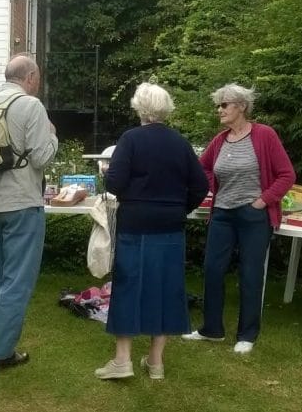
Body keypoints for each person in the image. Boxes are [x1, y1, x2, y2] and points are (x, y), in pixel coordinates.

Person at [93, 82, 208, 380]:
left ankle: (122, 361)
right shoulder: (180, 143)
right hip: (170, 225)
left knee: (129, 285)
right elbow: (201, 186)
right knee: (166, 288)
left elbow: (115, 185)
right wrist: (177, 208)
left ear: (139, 108)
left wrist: (108, 173)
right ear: (165, 108)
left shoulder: (130, 139)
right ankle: (155, 363)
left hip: (136, 224)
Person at [183, 83, 295, 354]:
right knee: (212, 270)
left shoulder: (264, 135)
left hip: (253, 216)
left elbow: (286, 175)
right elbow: (203, 168)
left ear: (241, 107)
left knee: (250, 274)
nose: (219, 110)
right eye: (218, 105)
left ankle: (247, 334)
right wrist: (213, 186)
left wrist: (262, 201)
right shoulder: (220, 140)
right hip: (222, 214)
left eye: (224, 105)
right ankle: (212, 329)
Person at [0, 54, 58, 370]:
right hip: (21, 203)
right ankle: (1, 352)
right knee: (16, 280)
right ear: (30, 77)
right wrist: (54, 135)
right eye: (38, 77)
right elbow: (41, 158)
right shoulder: (31, 106)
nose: (39, 82)